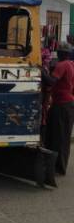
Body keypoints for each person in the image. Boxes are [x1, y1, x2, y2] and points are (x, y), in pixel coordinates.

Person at [42, 42, 74, 175]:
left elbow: (51, 81)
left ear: (61, 53)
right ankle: (58, 166)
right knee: (62, 136)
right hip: (67, 104)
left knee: (58, 137)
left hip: (61, 105)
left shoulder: (62, 65)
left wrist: (40, 70)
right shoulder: (71, 64)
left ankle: (57, 167)